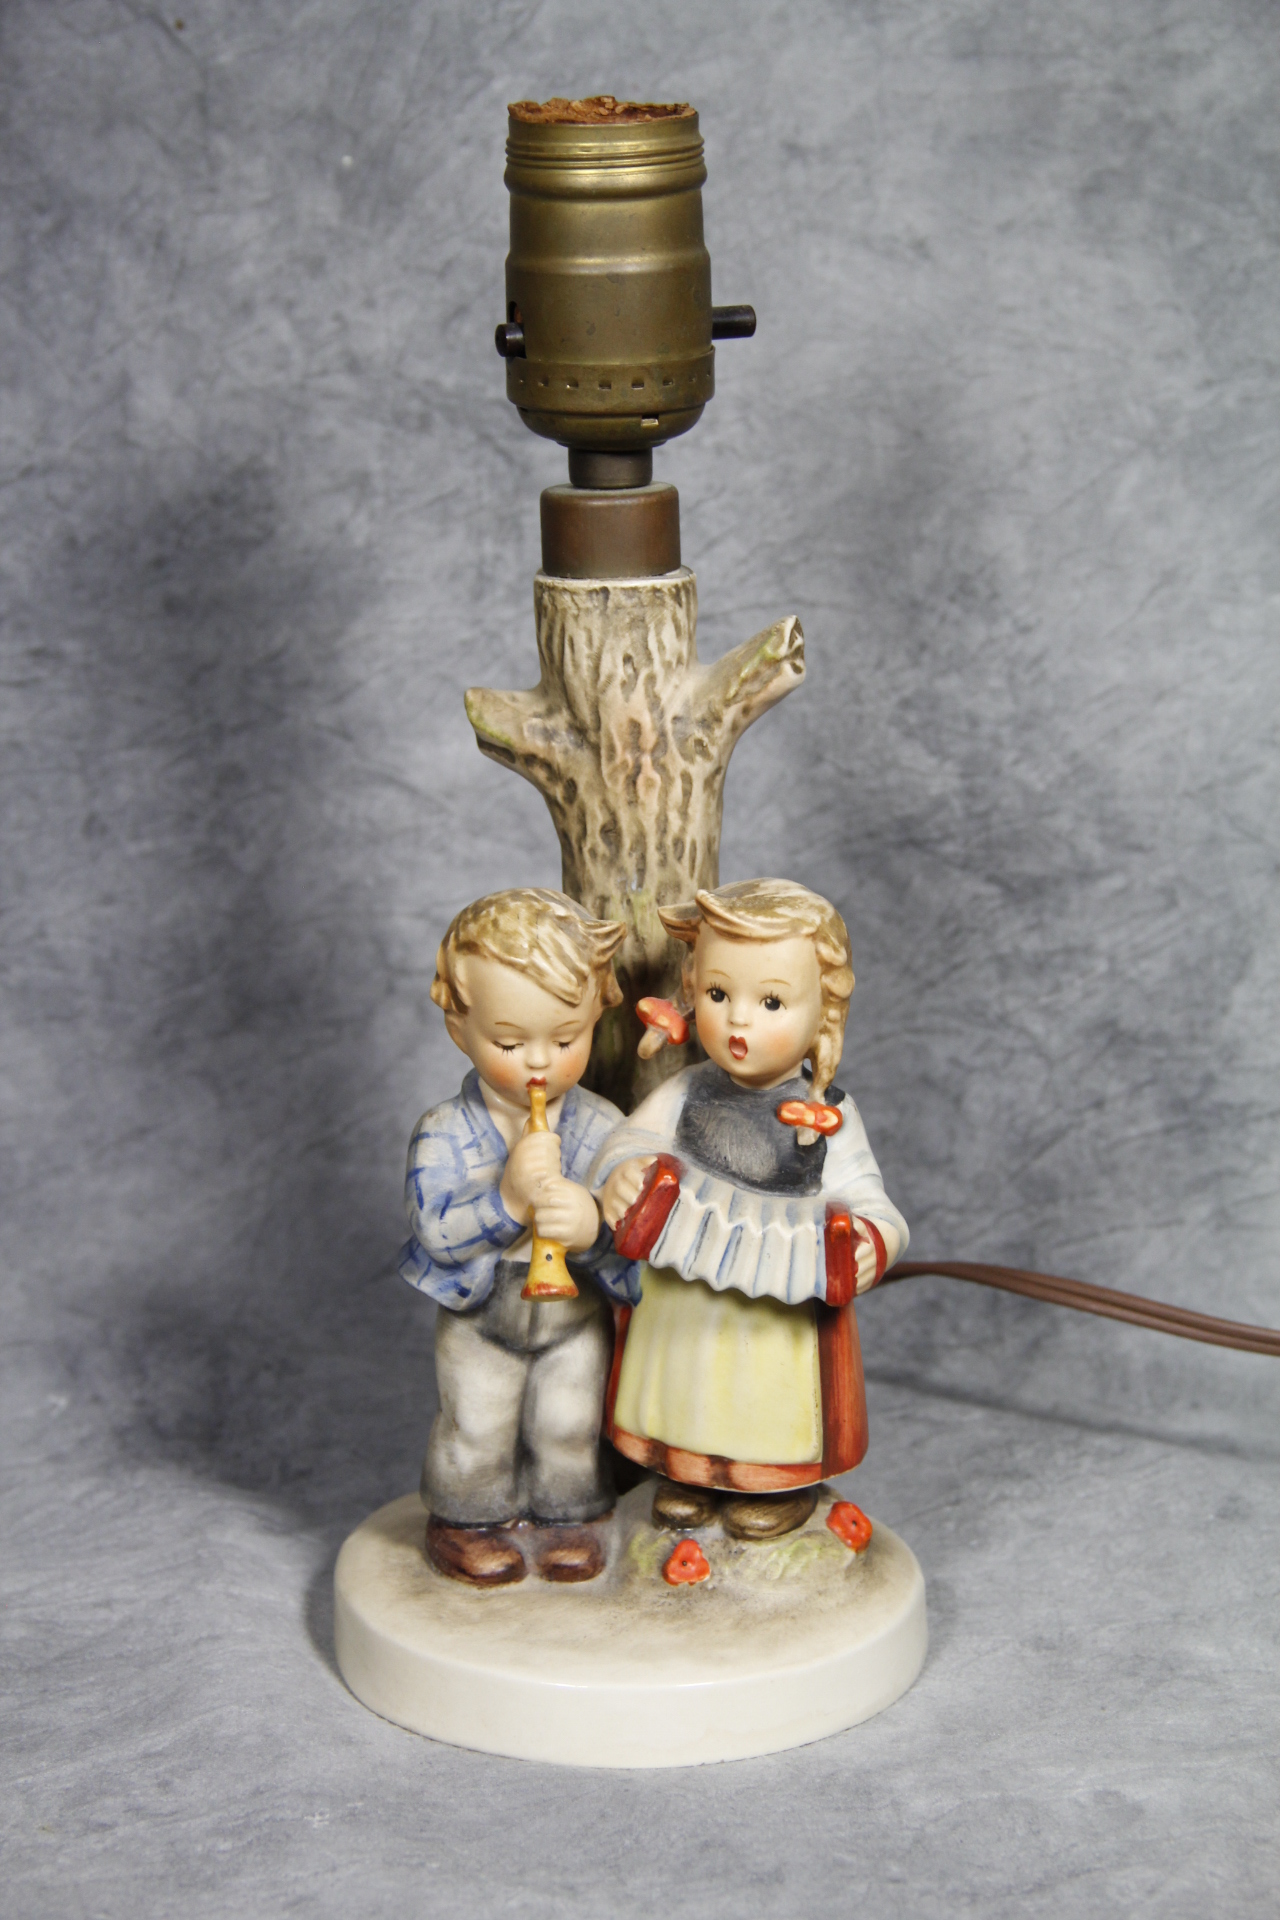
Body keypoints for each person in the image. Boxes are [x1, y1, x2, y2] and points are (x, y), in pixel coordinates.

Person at [593, 878, 908, 1541]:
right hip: (686, 1280)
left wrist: (871, 1241)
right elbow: (629, 1141)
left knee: (765, 1390)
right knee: (687, 1379)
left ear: (823, 1013)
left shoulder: (827, 1117)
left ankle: (775, 1483)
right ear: (691, 988)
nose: (738, 1021)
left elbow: (869, 1197)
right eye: (718, 994)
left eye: (770, 1002)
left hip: (780, 1291)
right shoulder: (686, 1090)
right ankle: (689, 1472)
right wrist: (618, 1174)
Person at [398, 888, 640, 1586]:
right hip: (481, 1313)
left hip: (574, 1312)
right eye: (508, 1043)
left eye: (566, 1040)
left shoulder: (603, 1127)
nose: (540, 1063)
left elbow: (634, 1234)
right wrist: (506, 1200)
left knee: (569, 1422)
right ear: (459, 1028)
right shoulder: (443, 1131)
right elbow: (436, 1232)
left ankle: (568, 1519)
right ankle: (468, 1522)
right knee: (478, 1425)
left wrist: (592, 1227)